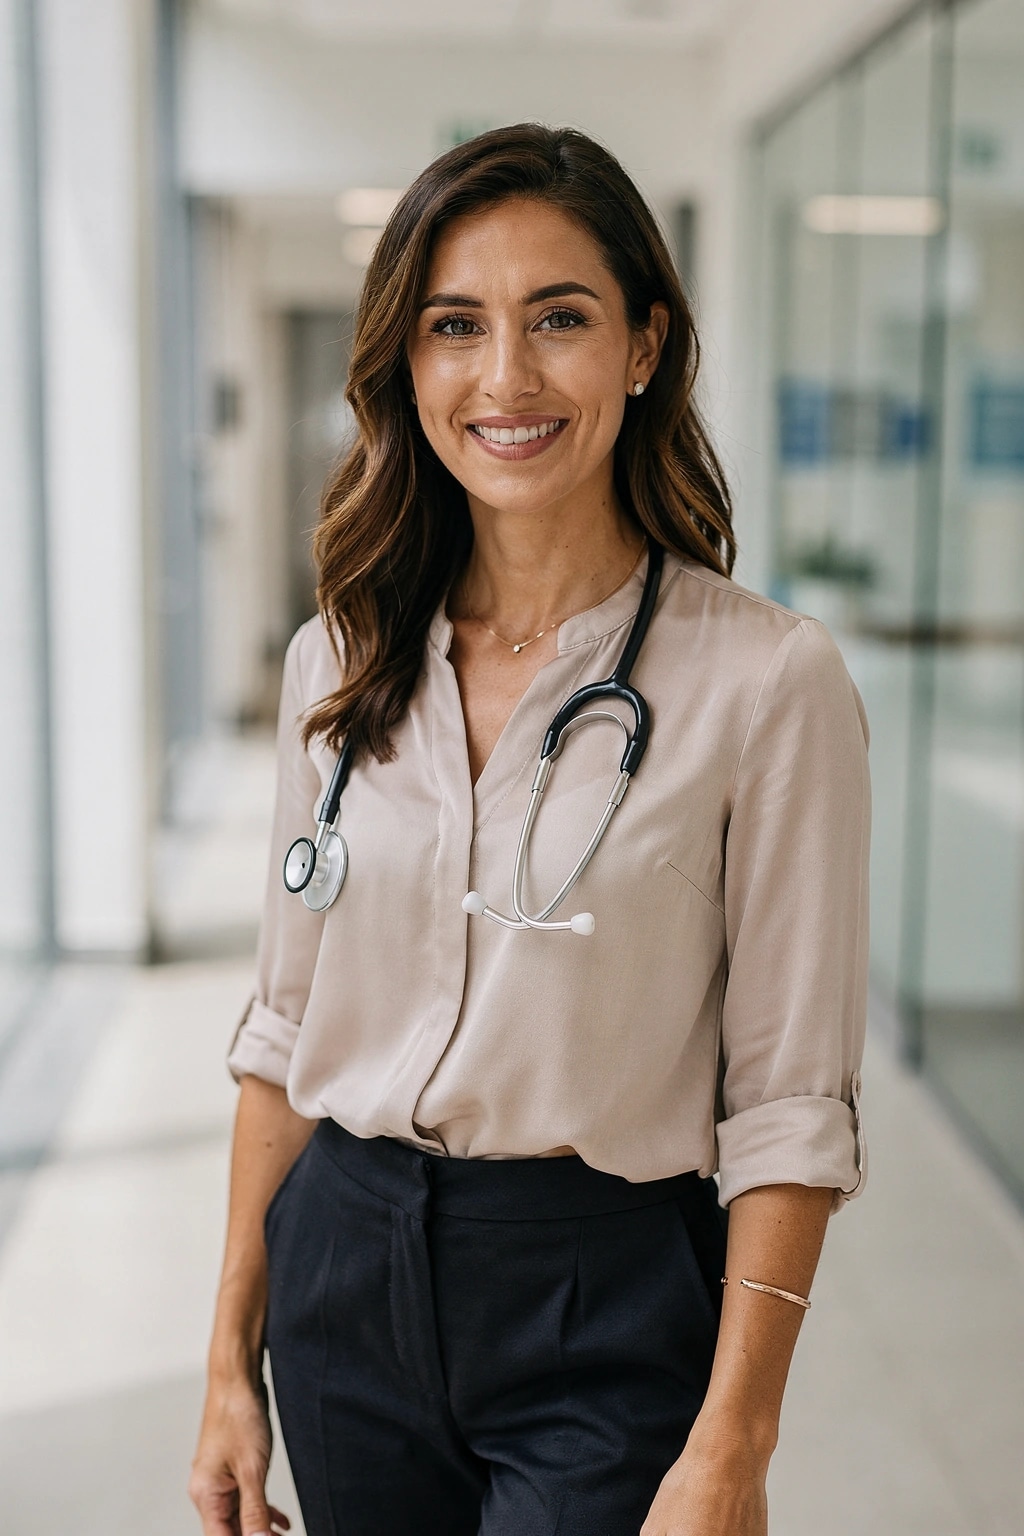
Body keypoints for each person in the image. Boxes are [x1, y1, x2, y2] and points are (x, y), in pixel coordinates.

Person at [189, 124, 869, 1536]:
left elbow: (792, 1104)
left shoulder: (763, 681)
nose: (504, 377)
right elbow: (284, 1033)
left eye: (558, 318)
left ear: (643, 346)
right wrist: (227, 1364)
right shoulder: (344, 659)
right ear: (408, 363)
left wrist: (735, 1443)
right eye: (456, 326)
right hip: (342, 1271)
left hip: (601, 1294)